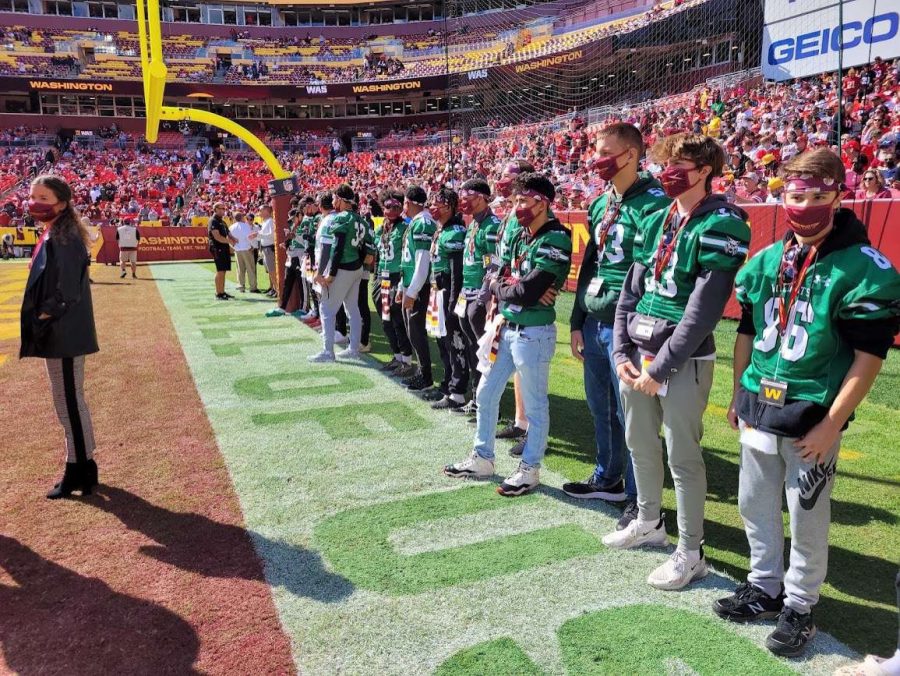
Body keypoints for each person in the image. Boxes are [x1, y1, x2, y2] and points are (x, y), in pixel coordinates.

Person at [713, 149, 900, 657]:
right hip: (759, 404)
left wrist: (834, 423)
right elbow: (748, 332)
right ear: (782, 196)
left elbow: (869, 357)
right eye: (797, 196)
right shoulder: (767, 261)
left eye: (819, 196)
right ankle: (765, 586)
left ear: (839, 195)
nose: (807, 205)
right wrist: (738, 392)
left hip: (811, 416)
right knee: (753, 503)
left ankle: (800, 604)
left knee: (806, 515)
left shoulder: (864, 268)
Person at [604, 133, 751, 592]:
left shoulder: (723, 222)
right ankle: (649, 520)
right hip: (639, 351)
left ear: (705, 169)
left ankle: (692, 551)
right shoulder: (659, 216)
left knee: (682, 456)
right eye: (665, 161)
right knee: (639, 442)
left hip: (680, 359)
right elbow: (632, 288)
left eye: (679, 163)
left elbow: (704, 310)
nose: (667, 170)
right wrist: (621, 350)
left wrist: (659, 367)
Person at [565, 123, 670, 529]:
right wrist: (578, 319)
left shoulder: (655, 205)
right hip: (595, 320)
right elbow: (590, 263)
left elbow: (650, 275)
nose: (596, 158)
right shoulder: (600, 203)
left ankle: (639, 496)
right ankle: (607, 478)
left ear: (630, 155)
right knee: (600, 407)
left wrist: (632, 330)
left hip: (630, 325)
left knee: (636, 418)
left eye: (604, 151)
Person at [444, 173, 572, 497]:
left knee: (535, 404)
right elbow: (498, 275)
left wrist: (510, 287)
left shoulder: (555, 236)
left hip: (533, 332)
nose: (517, 207)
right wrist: (509, 287)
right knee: (486, 393)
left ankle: (530, 470)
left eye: (523, 200)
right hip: (508, 326)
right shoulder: (522, 235)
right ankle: (483, 457)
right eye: (515, 201)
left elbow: (528, 292)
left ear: (542, 202)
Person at [19, 175, 100, 499]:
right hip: (59, 332)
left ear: (62, 203)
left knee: (68, 402)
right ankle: (83, 466)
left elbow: (66, 293)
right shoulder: (58, 232)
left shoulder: (64, 238)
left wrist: (42, 316)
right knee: (66, 401)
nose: (34, 202)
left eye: (43, 197)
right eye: (32, 195)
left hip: (64, 333)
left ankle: (78, 470)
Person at [490, 160, 535, 444]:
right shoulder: (508, 215)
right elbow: (500, 256)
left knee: (528, 367)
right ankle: (520, 420)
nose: (502, 180)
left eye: (508, 176)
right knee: (516, 365)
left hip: (521, 297)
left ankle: (531, 428)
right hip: (504, 293)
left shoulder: (529, 214)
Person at [457, 178, 501, 415]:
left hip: (479, 295)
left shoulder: (492, 224)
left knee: (485, 351)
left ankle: (490, 404)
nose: (465, 201)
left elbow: (493, 264)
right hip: (467, 292)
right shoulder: (473, 223)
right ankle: (476, 397)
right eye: (462, 196)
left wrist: (483, 297)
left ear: (484, 197)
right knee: (472, 348)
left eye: (470, 196)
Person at [308, 184, 367, 362]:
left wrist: (328, 273)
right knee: (352, 309)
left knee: (326, 308)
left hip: (342, 267)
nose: (333, 201)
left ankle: (328, 352)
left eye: (335, 198)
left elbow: (335, 247)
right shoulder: (359, 219)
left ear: (341, 199)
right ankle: (354, 348)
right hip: (357, 268)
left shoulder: (340, 218)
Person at [428, 187, 469, 409]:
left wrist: (453, 300)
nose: (434, 206)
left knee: (455, 342)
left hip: (447, 291)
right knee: (443, 342)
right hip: (438, 291)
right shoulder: (441, 230)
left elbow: (456, 271)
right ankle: (449, 384)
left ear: (449, 206)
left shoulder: (454, 232)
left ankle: (458, 391)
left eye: (438, 202)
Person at [398, 185, 438, 392]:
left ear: (412, 202)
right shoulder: (416, 222)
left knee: (416, 332)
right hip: (410, 284)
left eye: (405, 201)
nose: (403, 206)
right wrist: (401, 287)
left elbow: (422, 262)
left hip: (419, 286)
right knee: (412, 331)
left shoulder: (423, 223)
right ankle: (422, 373)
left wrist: (412, 291)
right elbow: (409, 260)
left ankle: (426, 376)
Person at [374, 188, 414, 375]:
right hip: (382, 278)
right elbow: (377, 254)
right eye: (387, 206)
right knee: (386, 321)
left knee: (398, 320)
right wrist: (375, 277)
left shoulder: (405, 228)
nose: (390, 209)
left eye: (395, 206)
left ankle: (407, 359)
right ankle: (397, 356)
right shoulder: (380, 229)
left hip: (397, 276)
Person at [208, 202, 236, 300]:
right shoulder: (213, 220)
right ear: (215, 209)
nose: (223, 210)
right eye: (221, 208)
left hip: (223, 247)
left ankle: (222, 291)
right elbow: (217, 236)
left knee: (223, 271)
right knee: (220, 270)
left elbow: (228, 233)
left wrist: (234, 239)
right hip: (217, 247)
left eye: (224, 209)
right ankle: (218, 293)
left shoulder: (222, 221)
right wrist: (230, 241)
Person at [229, 211, 258, 293]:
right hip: (246, 249)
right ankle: (253, 287)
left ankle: (241, 286)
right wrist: (253, 246)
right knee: (250, 268)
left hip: (238, 250)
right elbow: (249, 237)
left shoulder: (231, 227)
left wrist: (234, 247)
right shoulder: (246, 226)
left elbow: (229, 239)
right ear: (242, 217)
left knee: (240, 269)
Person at [257, 205, 277, 297]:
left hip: (269, 248)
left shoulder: (270, 221)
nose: (259, 212)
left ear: (266, 211)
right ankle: (274, 289)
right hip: (265, 248)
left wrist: (259, 235)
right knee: (270, 271)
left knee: (272, 271)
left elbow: (272, 236)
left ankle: (277, 290)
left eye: (261, 210)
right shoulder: (266, 222)